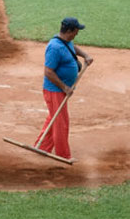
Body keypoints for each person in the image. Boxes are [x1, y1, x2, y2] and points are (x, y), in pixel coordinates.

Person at [36, 17, 93, 160]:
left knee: (54, 118)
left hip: (60, 90)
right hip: (54, 90)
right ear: (69, 31)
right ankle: (63, 155)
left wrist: (85, 55)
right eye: (76, 30)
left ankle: (42, 146)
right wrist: (65, 87)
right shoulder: (54, 47)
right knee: (61, 123)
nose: (77, 33)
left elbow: (72, 47)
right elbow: (48, 72)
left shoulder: (65, 41)